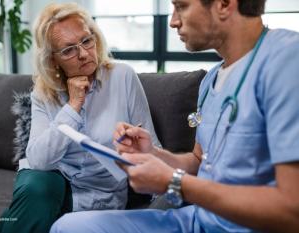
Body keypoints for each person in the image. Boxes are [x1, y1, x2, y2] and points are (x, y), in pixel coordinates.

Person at [50, 0, 299, 232]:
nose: (173, 21)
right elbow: (199, 162)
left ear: (224, 4)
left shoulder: (286, 60)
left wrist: (175, 182)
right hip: (197, 220)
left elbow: (292, 210)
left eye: (181, 6)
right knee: (68, 227)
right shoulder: (211, 80)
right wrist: (153, 154)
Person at [0, 3, 160, 233]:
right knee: (37, 186)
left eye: (86, 41)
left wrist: (162, 207)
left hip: (98, 196)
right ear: (54, 60)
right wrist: (73, 107)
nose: (83, 54)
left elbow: (151, 146)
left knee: (24, 211)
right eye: (68, 50)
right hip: (51, 184)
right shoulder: (44, 93)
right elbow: (38, 161)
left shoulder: (122, 77)